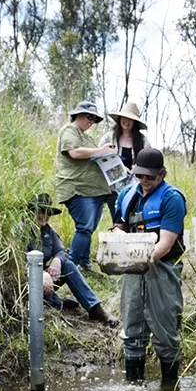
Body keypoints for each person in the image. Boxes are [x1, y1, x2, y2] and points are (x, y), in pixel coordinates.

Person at [112, 148, 187, 384]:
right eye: (139, 175)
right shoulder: (126, 194)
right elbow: (118, 225)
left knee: (165, 329)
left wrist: (140, 259)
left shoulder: (172, 198)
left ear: (161, 174)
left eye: (150, 177)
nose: (144, 181)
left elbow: (164, 244)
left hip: (162, 269)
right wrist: (121, 244)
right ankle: (133, 386)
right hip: (133, 270)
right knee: (132, 328)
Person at [24, 194, 119, 326]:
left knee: (67, 264)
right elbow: (16, 262)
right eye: (40, 211)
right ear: (30, 211)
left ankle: (95, 308)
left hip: (45, 280)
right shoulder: (20, 230)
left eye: (47, 212)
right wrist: (39, 273)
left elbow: (62, 251)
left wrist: (57, 260)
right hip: (25, 280)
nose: (44, 216)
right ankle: (51, 301)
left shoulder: (48, 230)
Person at [54, 101, 117, 271]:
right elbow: (74, 152)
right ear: (78, 114)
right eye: (89, 117)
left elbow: (96, 157)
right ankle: (71, 267)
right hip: (78, 188)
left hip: (95, 190)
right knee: (84, 228)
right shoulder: (70, 130)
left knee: (88, 229)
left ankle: (84, 263)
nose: (91, 121)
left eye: (94, 119)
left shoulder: (86, 136)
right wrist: (100, 151)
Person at [100, 101, 152, 218]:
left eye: (130, 119)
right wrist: (118, 167)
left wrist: (138, 168)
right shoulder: (109, 137)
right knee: (118, 219)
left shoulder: (143, 140)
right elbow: (100, 157)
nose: (126, 122)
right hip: (113, 188)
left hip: (136, 187)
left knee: (134, 218)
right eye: (124, 118)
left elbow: (149, 160)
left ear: (135, 122)